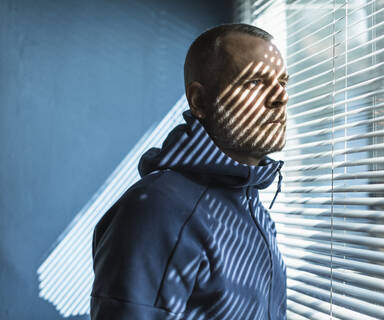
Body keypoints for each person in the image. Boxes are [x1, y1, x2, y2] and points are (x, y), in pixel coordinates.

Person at [90, 23, 289, 320]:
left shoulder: (251, 208)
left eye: (283, 82)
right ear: (199, 101)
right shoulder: (159, 209)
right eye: (255, 82)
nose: (280, 97)